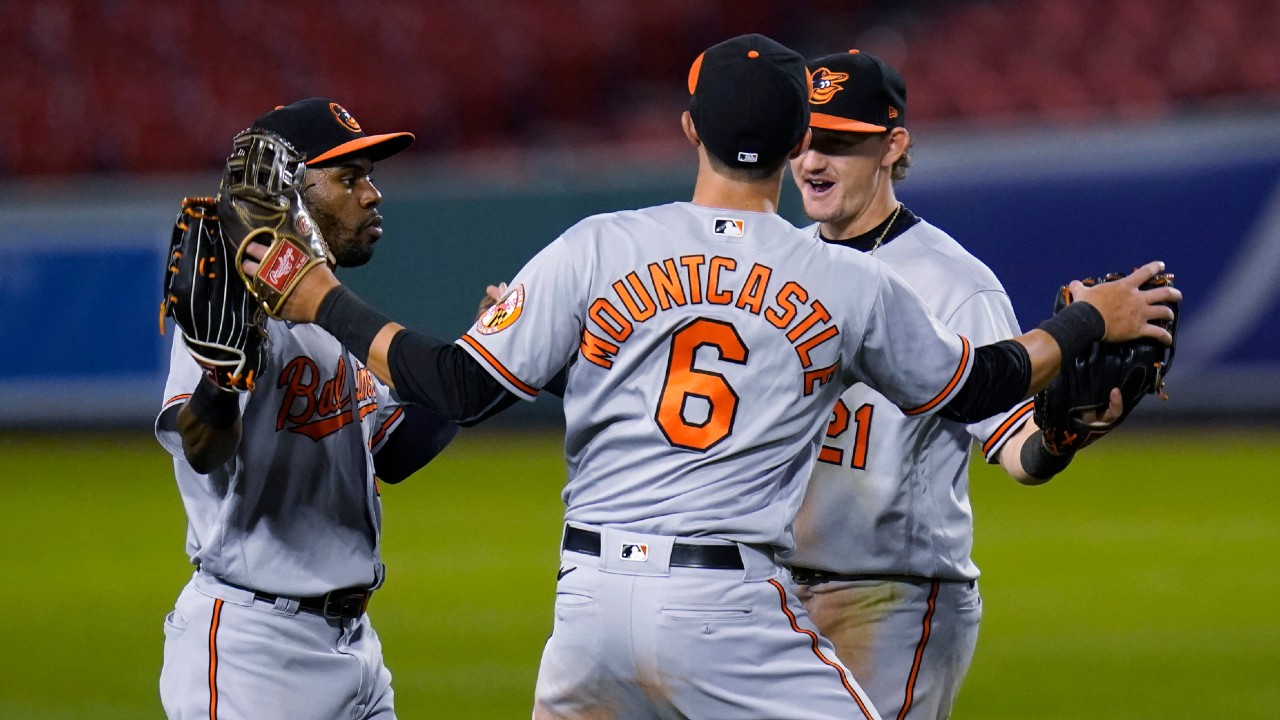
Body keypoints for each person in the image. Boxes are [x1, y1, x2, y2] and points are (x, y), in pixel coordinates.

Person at [242, 34, 1178, 720]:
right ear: (794, 137)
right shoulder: (847, 279)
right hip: (732, 608)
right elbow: (984, 385)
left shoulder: (598, 246)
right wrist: (1088, 318)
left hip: (589, 607)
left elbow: (449, 385)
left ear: (688, 125)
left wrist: (315, 292)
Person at [780, 49, 1119, 720]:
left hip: (892, 599)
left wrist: (1059, 442)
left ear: (892, 146)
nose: (813, 162)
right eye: (802, 141)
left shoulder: (952, 281)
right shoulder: (779, 262)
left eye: (839, 143)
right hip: (771, 598)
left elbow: (1018, 443)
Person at [155, 98, 458, 720]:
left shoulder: (327, 320)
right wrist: (219, 378)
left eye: (369, 177)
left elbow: (397, 449)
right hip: (253, 652)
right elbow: (202, 447)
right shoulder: (231, 313)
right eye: (349, 179)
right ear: (286, 195)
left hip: (353, 648)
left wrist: (488, 364)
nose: (372, 194)